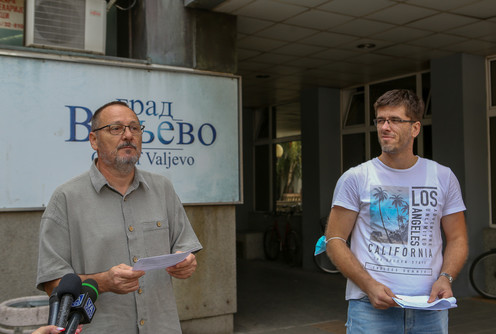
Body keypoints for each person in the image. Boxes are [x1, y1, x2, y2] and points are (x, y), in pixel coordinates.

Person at [36, 101, 203, 334]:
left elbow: (186, 247)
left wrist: (186, 262)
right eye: (116, 128)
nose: (128, 135)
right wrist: (104, 282)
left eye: (135, 128)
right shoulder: (66, 198)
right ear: (94, 140)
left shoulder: (162, 188)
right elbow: (52, 283)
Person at [325, 89, 468, 333]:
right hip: (371, 309)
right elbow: (334, 239)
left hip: (429, 308)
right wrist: (368, 285)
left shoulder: (443, 177)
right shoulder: (356, 178)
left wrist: (446, 277)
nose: (385, 127)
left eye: (394, 120)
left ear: (415, 128)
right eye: (380, 120)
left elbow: (457, 238)